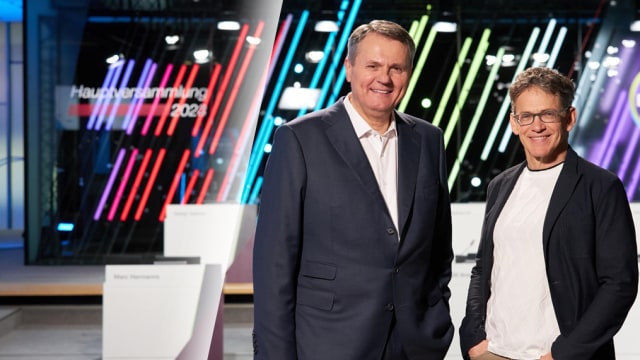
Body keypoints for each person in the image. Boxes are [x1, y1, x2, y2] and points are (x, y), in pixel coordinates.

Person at [252, 19, 454, 360]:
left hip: (412, 345)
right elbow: (274, 265)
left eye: (396, 68)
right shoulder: (300, 139)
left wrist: (436, 321)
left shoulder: (428, 139)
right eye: (372, 65)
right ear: (348, 68)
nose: (384, 78)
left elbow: (438, 250)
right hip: (328, 344)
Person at [459, 66, 639, 360]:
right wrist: (473, 337)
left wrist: (566, 352)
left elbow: (619, 284)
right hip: (494, 351)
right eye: (526, 116)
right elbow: (483, 268)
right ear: (514, 123)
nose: (537, 126)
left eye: (548, 114)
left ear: (569, 118)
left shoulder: (601, 187)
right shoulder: (500, 186)